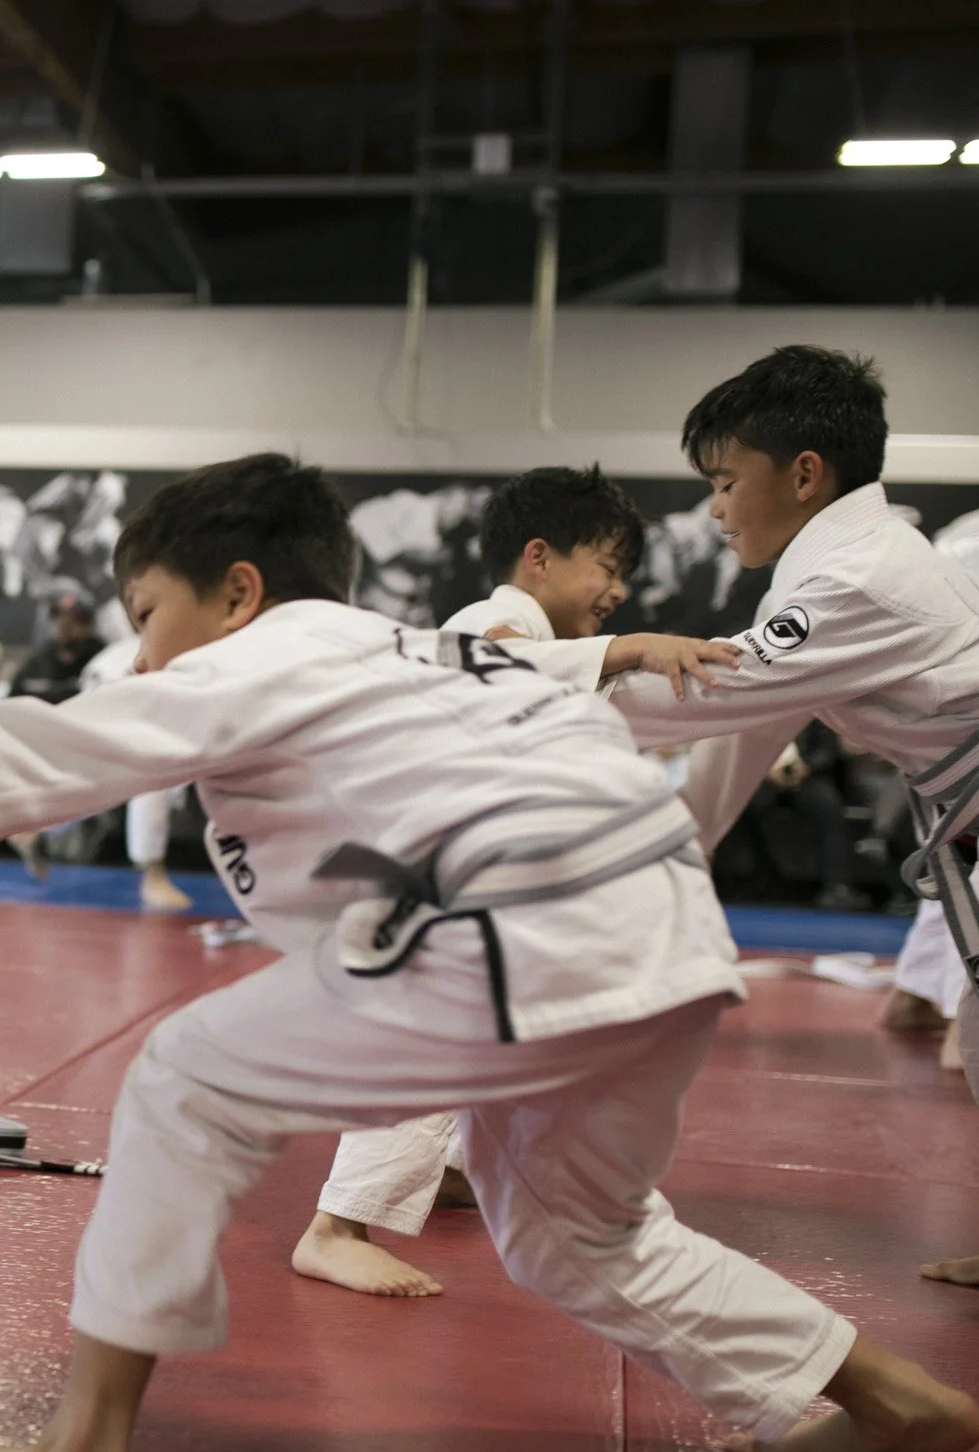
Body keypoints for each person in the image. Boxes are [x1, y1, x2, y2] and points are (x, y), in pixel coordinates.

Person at [0, 452, 979, 1452]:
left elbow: (25, 753)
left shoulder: (269, 651)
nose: (144, 653)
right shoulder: (425, 645)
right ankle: (871, 1388)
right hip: (661, 939)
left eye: (149, 614)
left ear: (235, 589)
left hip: (525, 925)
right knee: (575, 1234)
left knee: (183, 1078)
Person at [610, 345, 979, 1368]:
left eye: (724, 481)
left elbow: (702, 697)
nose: (715, 509)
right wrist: (669, 859)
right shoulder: (840, 567)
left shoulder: (853, 577)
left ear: (803, 474)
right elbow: (739, 730)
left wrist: (549, 673)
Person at [299, 464, 741, 1299]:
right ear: (538, 556)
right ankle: (334, 1229)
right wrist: (633, 646)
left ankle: (453, 1169)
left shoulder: (540, 642)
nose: (617, 590)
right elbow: (495, 663)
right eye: (606, 566)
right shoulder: (493, 621)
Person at [10, 596, 102, 704]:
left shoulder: (102, 659)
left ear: (88, 625)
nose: (64, 624)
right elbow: (13, 698)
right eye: (58, 617)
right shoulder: (38, 662)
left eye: (73, 619)